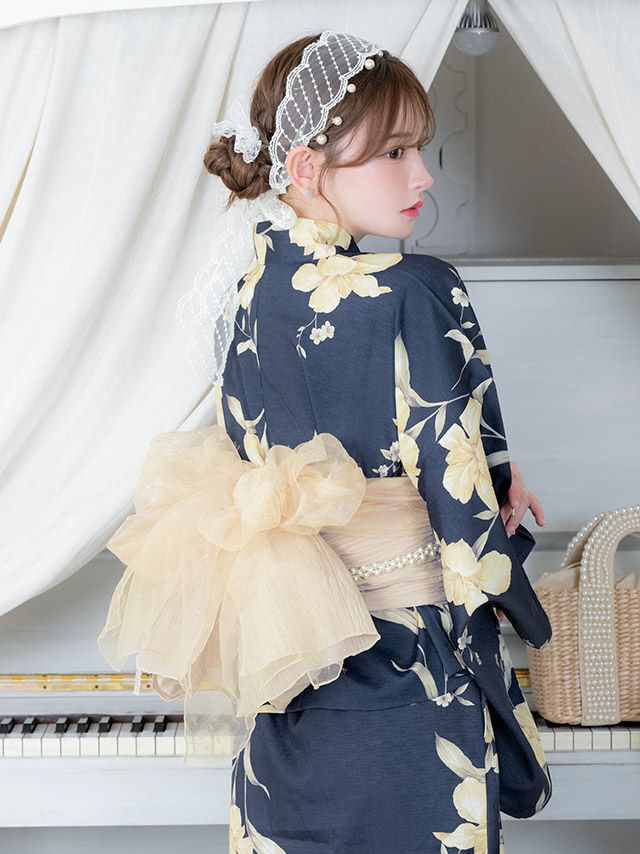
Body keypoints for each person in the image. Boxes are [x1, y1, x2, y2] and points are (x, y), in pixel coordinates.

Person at [98, 31, 553, 854]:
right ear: (307, 167)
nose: (422, 176)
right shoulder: (415, 289)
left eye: (420, 150)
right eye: (395, 152)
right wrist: (510, 557)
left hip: (288, 668)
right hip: (410, 679)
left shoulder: (241, 297)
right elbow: (467, 525)